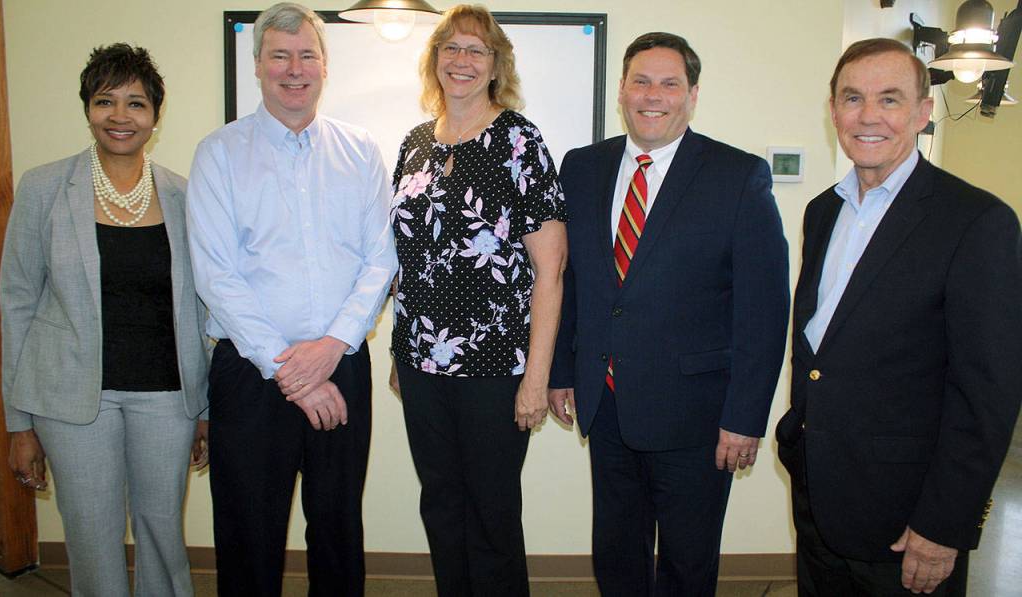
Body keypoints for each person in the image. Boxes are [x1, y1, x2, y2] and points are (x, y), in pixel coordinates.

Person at [776, 38, 1022, 596]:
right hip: (819, 497)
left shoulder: (976, 221)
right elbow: (822, 346)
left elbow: (987, 394)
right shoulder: (823, 211)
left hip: (909, 520)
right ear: (833, 110)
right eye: (852, 98)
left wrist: (944, 524)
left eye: (889, 99)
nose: (868, 116)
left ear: (922, 112)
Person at [548, 32, 789, 597]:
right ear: (622, 90)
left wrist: (746, 417)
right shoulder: (581, 168)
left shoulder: (738, 176)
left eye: (669, 84)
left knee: (687, 563)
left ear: (692, 95)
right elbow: (572, 280)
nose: (652, 95)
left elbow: (764, 310)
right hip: (606, 403)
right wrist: (562, 371)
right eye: (641, 81)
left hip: (697, 416)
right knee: (616, 556)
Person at [185, 3, 397, 595]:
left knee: (337, 530)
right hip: (250, 374)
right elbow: (216, 276)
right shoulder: (219, 153)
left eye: (307, 55)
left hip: (341, 365)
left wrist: (330, 348)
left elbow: (380, 261)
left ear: (325, 65)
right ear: (257, 65)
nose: (294, 69)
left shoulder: (360, 151)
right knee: (248, 535)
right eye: (279, 56)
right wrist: (291, 371)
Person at [1, 44, 210, 597]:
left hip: (167, 397)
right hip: (70, 401)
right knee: (92, 536)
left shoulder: (185, 195)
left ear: (155, 115)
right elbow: (17, 302)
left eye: (136, 103)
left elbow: (202, 308)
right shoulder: (44, 188)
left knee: (162, 533)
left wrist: (205, 408)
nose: (120, 116)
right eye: (105, 101)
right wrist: (18, 423)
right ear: (87, 109)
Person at [388, 4, 567, 595]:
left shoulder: (519, 140)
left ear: (496, 65)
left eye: (476, 50)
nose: (461, 60)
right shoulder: (415, 143)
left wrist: (536, 379)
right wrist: (401, 351)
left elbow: (550, 270)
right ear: (434, 59)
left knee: (491, 513)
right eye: (451, 48)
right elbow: (407, 259)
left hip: (496, 367)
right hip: (421, 364)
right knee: (440, 504)